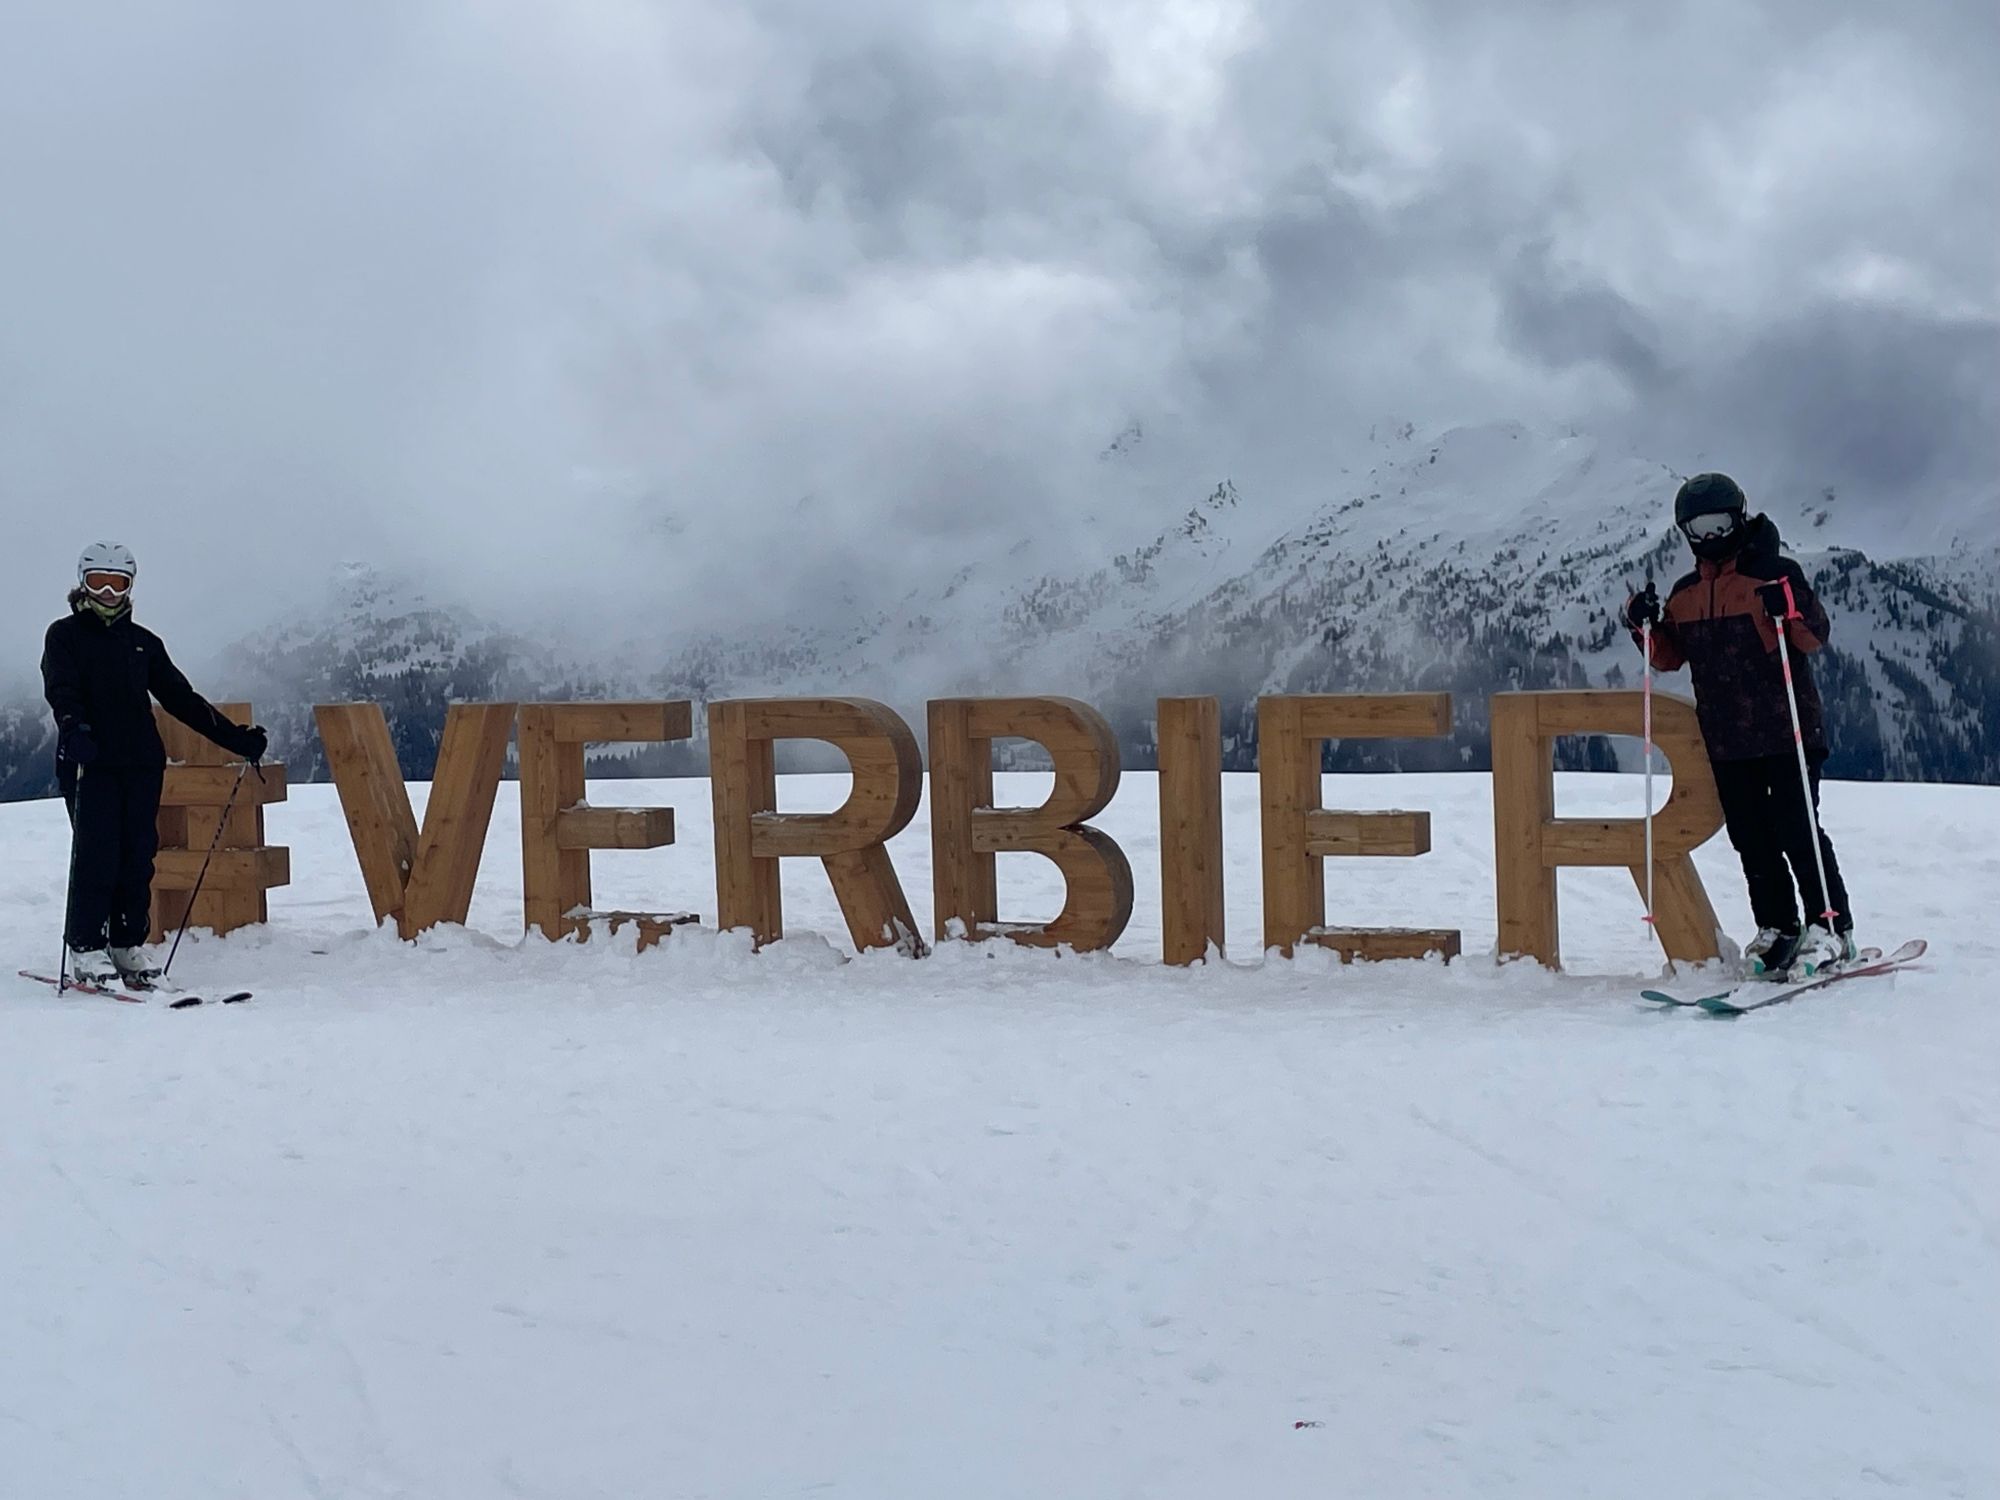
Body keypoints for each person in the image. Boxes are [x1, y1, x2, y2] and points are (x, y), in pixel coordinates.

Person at [1623, 474, 1856, 979]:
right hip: (1729, 739)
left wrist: (1789, 603)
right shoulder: (1686, 594)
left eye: (1718, 525)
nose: (1709, 538)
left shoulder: (1774, 575)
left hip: (1787, 729)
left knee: (1798, 829)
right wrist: (1644, 625)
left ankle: (1830, 928)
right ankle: (1778, 928)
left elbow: (1814, 636)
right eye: (1698, 528)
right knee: (1751, 836)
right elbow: (1668, 657)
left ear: (1739, 517)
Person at [40, 541, 268, 986]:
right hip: (89, 763)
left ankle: (126, 944)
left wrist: (235, 739)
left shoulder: (143, 643)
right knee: (97, 853)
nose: (107, 594)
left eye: (117, 584)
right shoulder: (64, 635)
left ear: (130, 587)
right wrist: (73, 730)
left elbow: (181, 699)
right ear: (82, 585)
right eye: (98, 583)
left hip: (141, 763)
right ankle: (86, 945)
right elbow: (61, 688)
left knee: (137, 854)